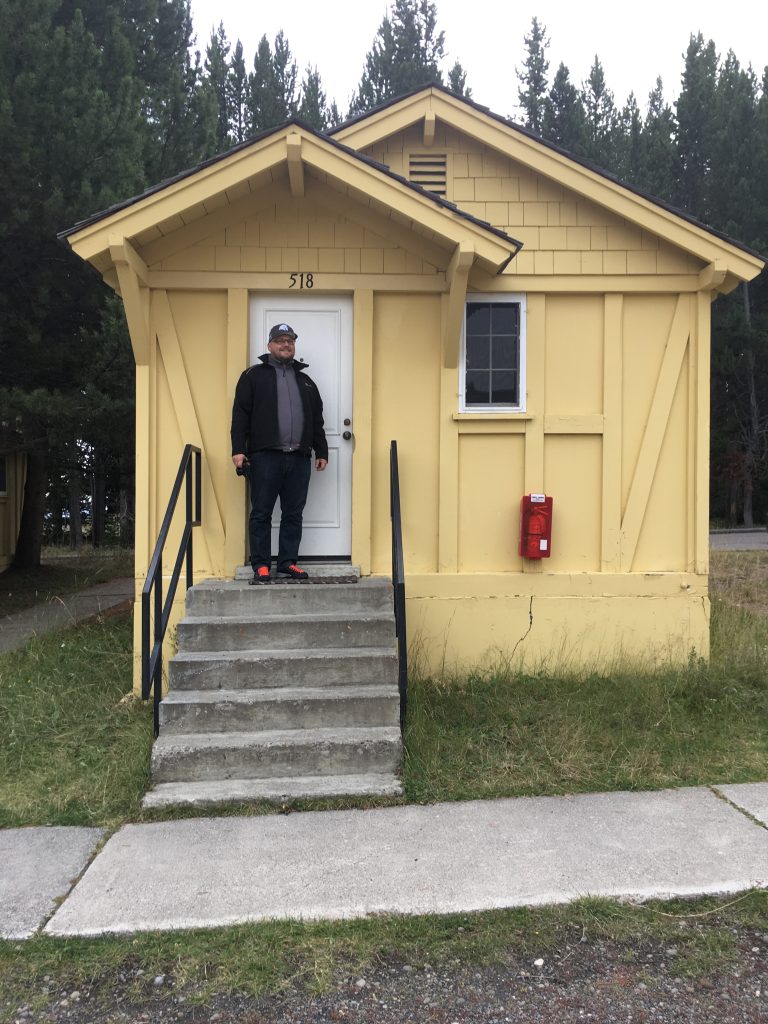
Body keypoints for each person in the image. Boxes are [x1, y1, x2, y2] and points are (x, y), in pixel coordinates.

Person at [230, 323, 328, 583]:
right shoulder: (253, 376)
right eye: (281, 340)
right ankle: (261, 565)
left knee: (293, 514)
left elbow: (317, 419)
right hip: (264, 457)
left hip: (299, 458)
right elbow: (240, 414)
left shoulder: (306, 382)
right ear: (270, 345)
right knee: (261, 512)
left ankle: (287, 563)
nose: (286, 345)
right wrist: (238, 449)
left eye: (290, 341)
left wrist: (322, 450)